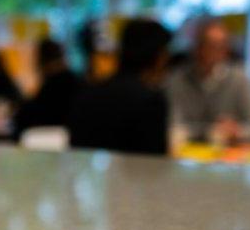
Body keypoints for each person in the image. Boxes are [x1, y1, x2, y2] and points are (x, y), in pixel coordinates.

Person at [69, 19, 172, 155]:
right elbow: (154, 163)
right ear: (158, 57)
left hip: (92, 175)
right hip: (136, 175)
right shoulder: (151, 102)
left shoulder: (88, 94)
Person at [166, 19, 250, 144]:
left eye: (221, 46)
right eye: (209, 45)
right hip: (189, 152)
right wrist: (210, 131)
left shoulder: (239, 79)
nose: (215, 52)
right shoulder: (178, 79)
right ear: (197, 47)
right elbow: (173, 124)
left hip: (229, 155)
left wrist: (238, 130)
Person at [12, 38, 84, 142]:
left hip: (44, 141)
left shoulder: (50, 86)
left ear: (41, 59)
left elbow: (26, 116)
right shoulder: (77, 81)